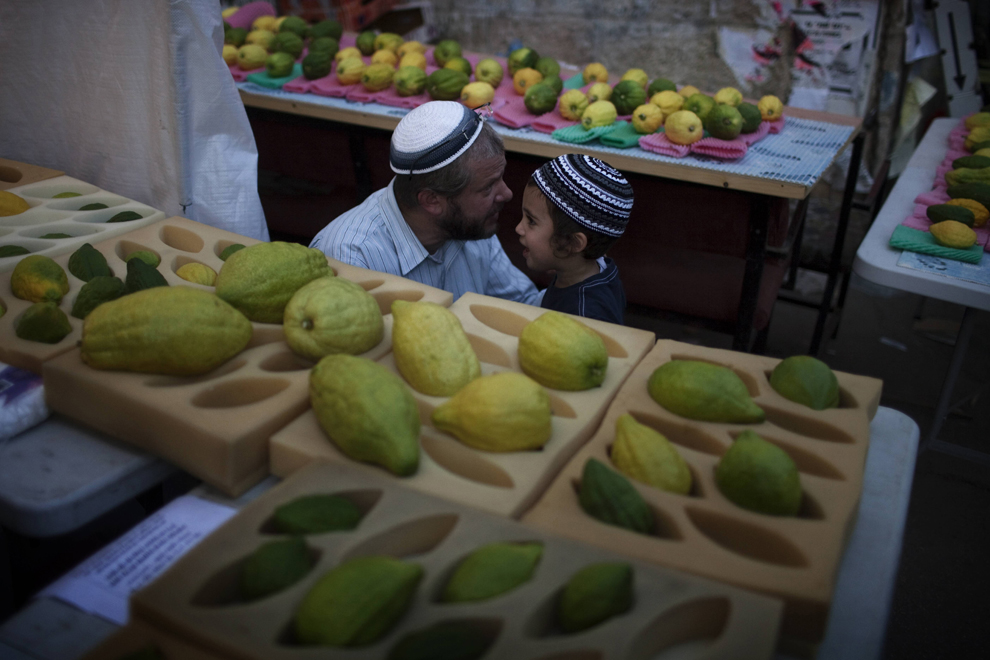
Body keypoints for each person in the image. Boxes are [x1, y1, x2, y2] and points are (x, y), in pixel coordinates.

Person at [309, 101, 540, 305]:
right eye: (487, 187)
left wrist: (571, 279)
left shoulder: (473, 225)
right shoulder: (350, 259)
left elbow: (523, 305)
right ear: (432, 201)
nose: (507, 193)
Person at [515, 154, 634, 325]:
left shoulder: (583, 317)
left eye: (531, 221)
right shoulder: (589, 267)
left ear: (572, 243)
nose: (519, 228)